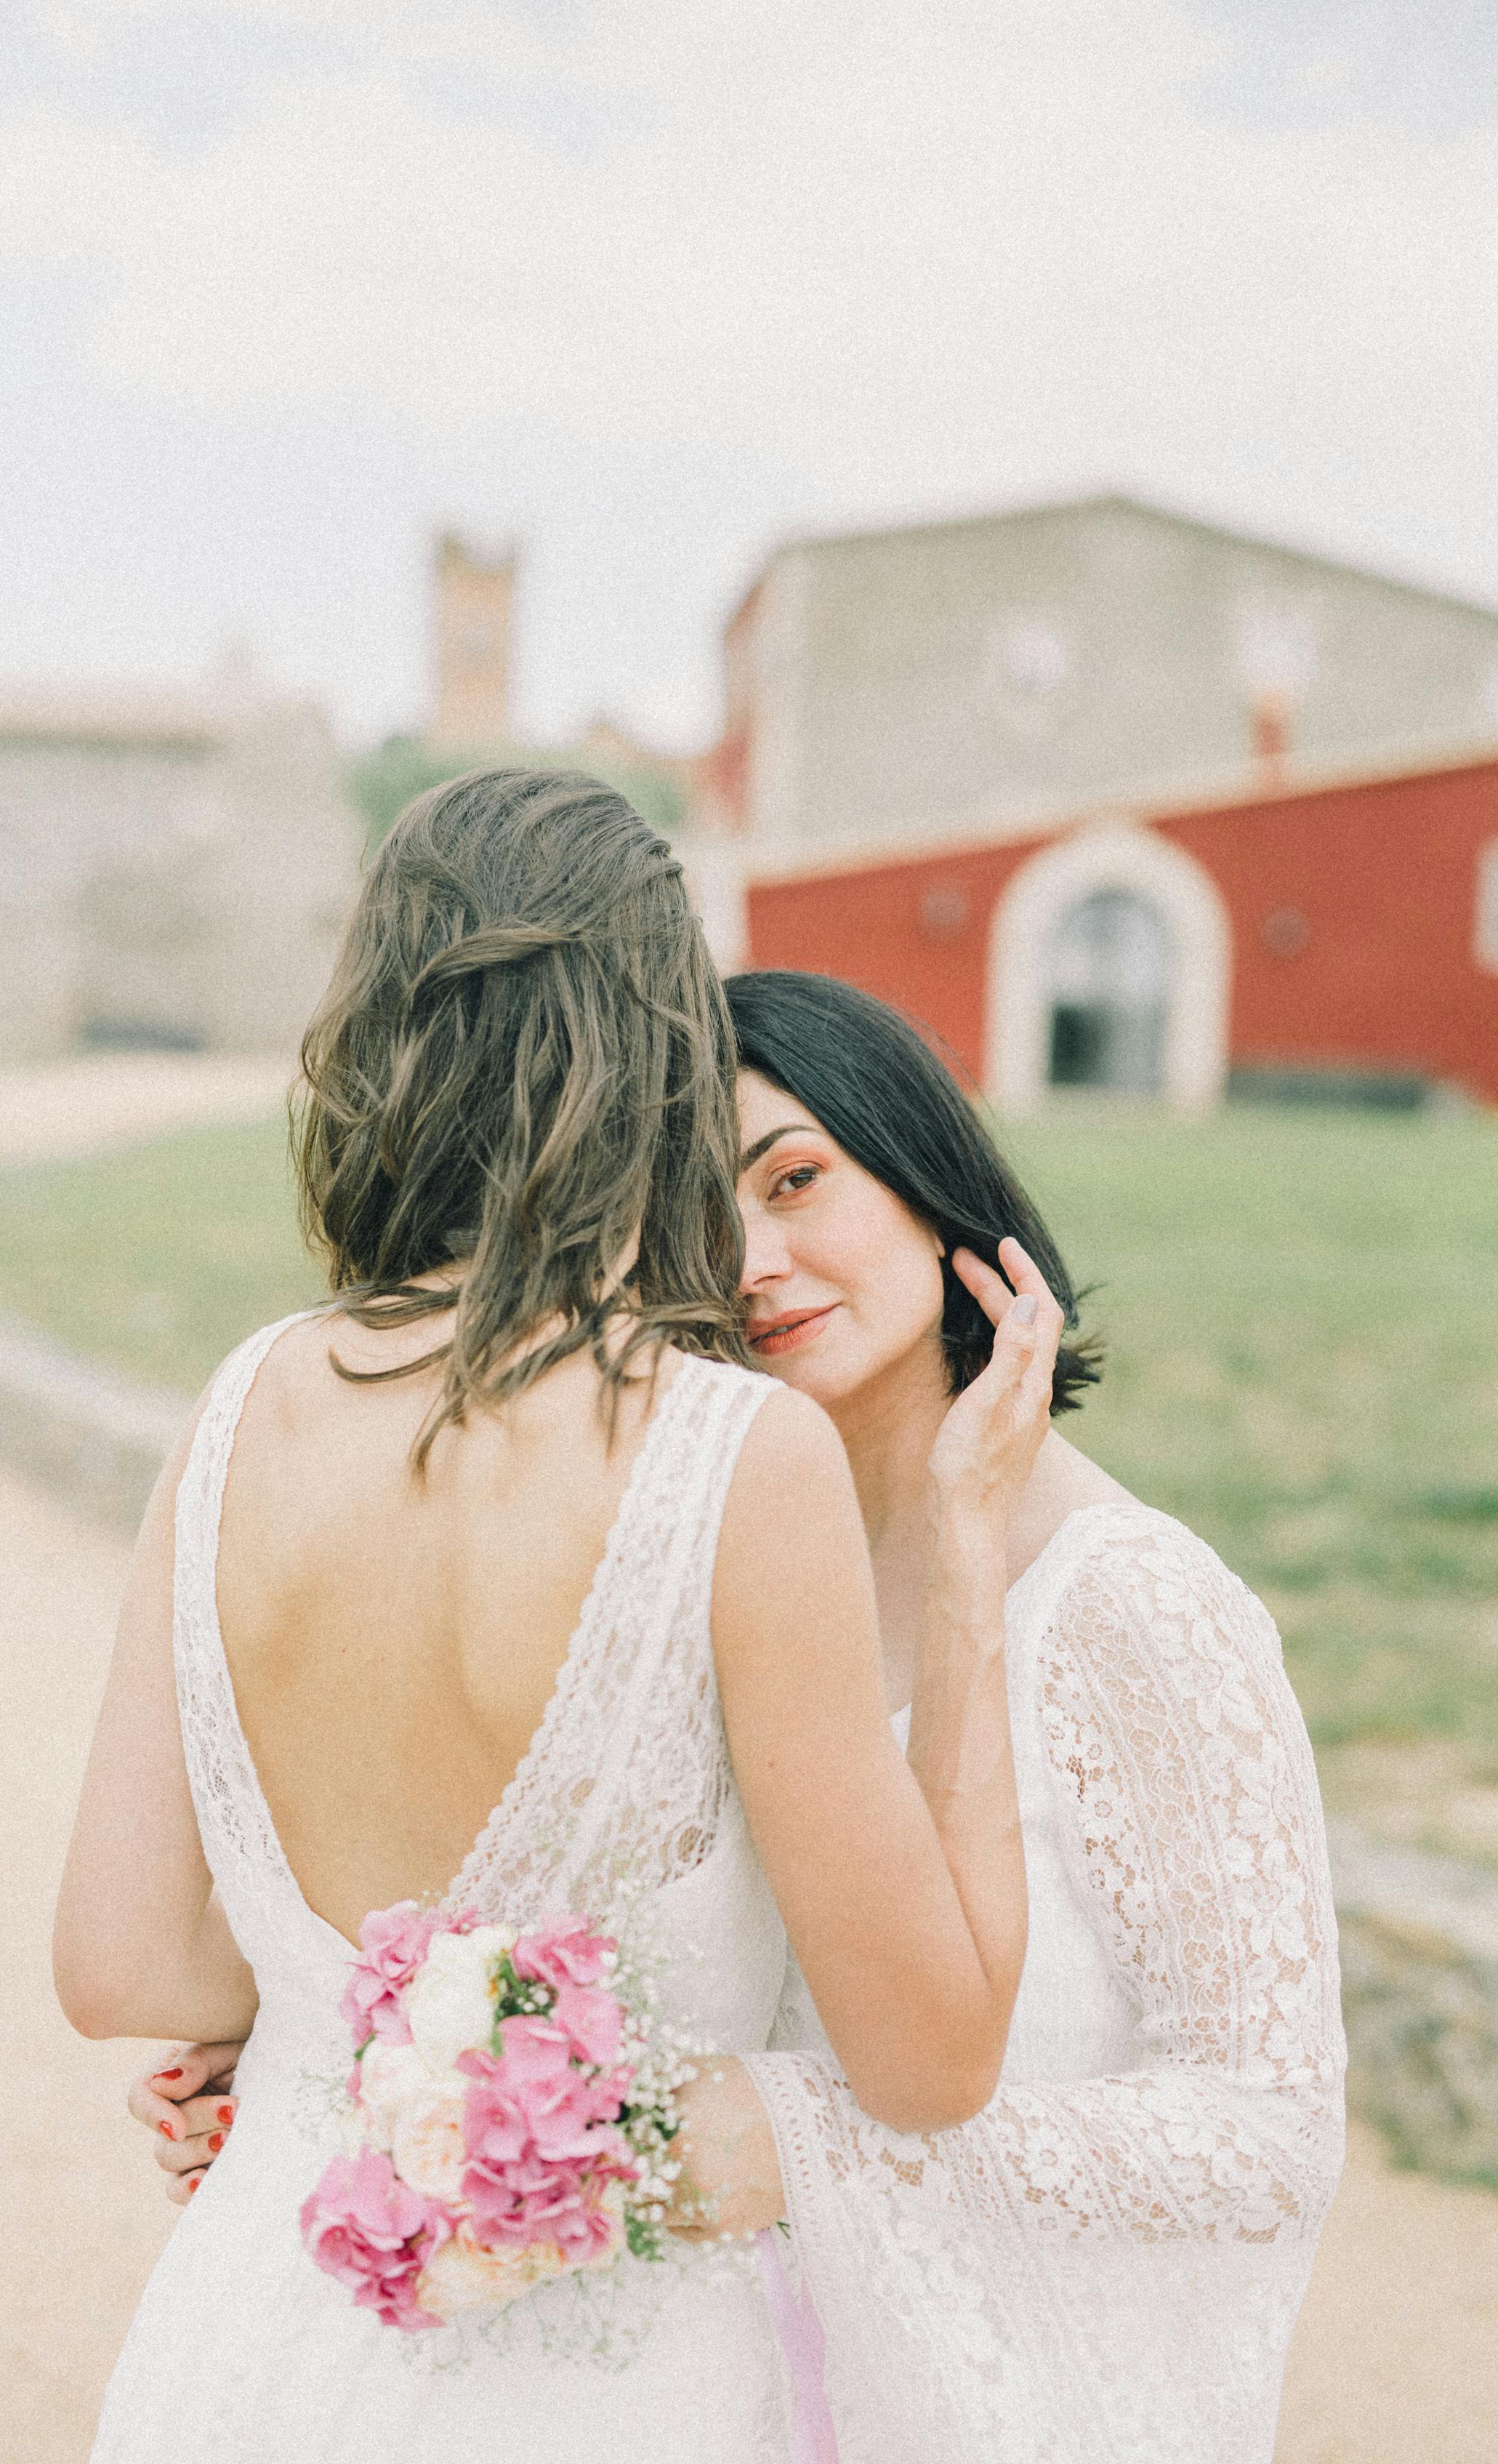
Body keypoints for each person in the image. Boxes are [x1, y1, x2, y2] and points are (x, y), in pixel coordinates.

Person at [127, 955, 1348, 2462]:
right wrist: (352, 2074)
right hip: (663, 2386)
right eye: (698, 1209)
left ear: (925, 1173)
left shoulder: (1131, 1605)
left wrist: (800, 2144)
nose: (752, 1257)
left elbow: (1264, 2128)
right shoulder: (696, 1558)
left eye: (796, 1177)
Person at [57, 771, 1063, 2464]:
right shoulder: (734, 1456)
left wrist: (326, 2011)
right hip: (595, 2389)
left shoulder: (238, 1410)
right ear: (661, 1053)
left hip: (244, 2350)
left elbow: (122, 1963)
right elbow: (933, 2057)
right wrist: (964, 1572)